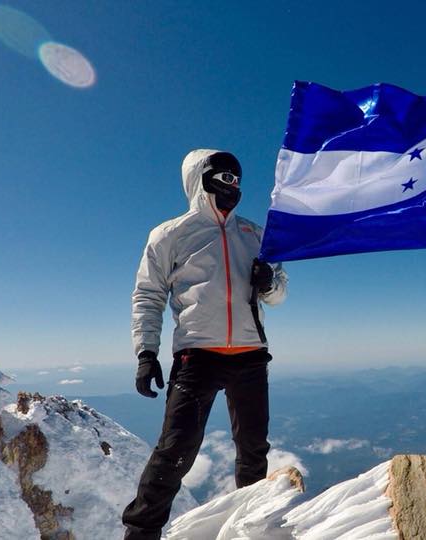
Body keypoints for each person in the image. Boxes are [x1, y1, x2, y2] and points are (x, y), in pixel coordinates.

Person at [121, 149, 287, 540]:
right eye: (224, 177)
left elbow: (278, 294)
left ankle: (251, 527)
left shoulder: (254, 234)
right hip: (197, 356)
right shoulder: (171, 234)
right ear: (201, 179)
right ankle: (141, 534)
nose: (232, 186)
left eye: (237, 180)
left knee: (253, 451)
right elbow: (148, 296)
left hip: (250, 355)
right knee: (175, 451)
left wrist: (269, 284)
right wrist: (146, 352)